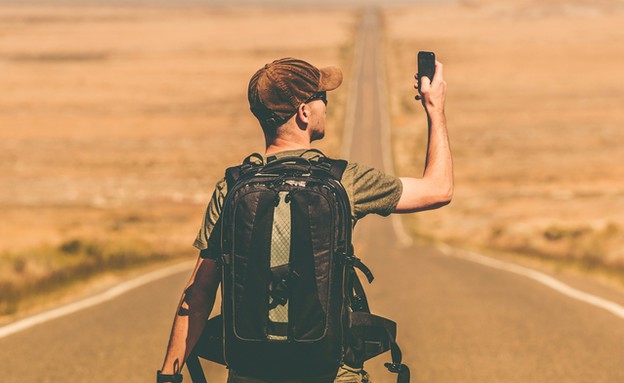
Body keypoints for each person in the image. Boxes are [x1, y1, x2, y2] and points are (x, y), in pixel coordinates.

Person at [159, 57, 452, 383]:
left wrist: (168, 375)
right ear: (303, 113)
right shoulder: (343, 180)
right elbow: (438, 189)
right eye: (322, 98)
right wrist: (434, 108)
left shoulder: (232, 187)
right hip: (329, 372)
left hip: (250, 373)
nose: (326, 105)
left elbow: (198, 294)